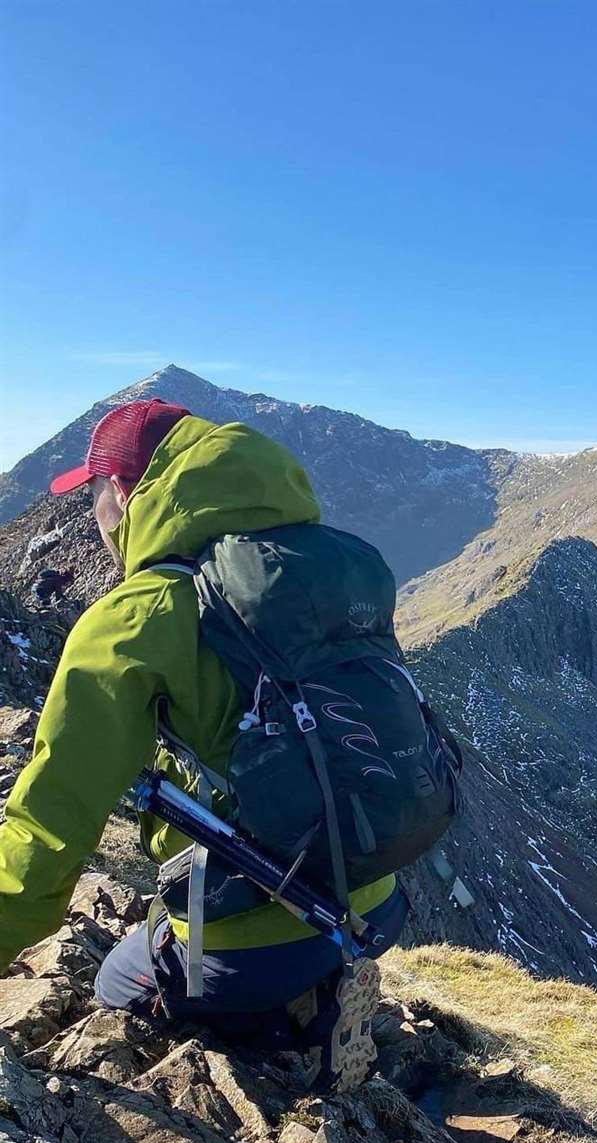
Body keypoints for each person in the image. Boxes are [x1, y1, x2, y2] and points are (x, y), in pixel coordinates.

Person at [0, 398, 408, 1089]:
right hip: (377, 893)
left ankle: (287, 1028)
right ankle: (318, 983)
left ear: (124, 493)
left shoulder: (136, 616)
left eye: (94, 494)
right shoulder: (331, 564)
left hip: (255, 940)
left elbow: (50, 824)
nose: (93, 517)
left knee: (115, 986)